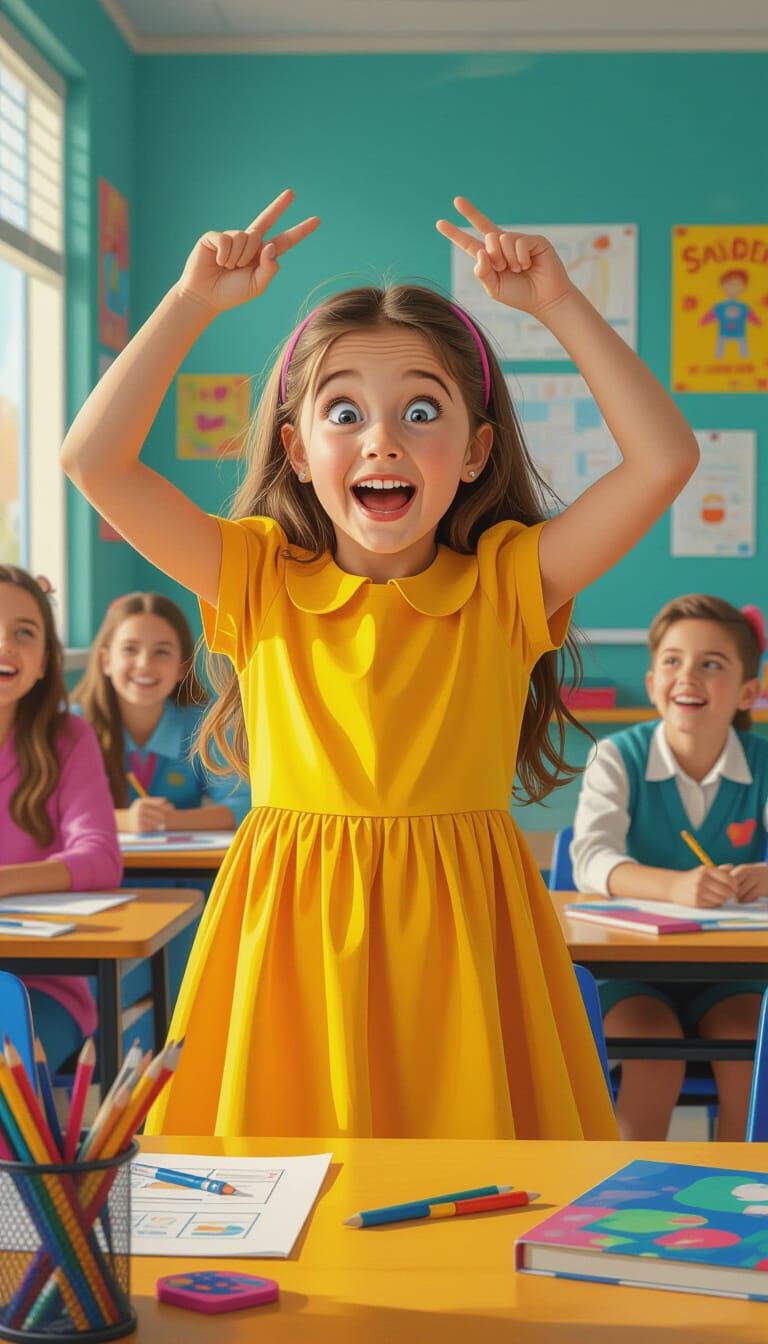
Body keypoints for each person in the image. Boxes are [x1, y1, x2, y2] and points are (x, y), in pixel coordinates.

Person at [60, 188, 699, 1139]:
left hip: (467, 934)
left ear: (478, 451)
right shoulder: (256, 574)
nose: (382, 439)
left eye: (422, 410)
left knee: (477, 1195)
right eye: (345, 411)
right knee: (282, 1207)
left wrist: (562, 307)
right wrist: (190, 303)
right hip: (291, 936)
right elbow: (94, 460)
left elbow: (663, 459)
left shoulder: (507, 583)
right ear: (299, 449)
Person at [572, 595, 768, 1141]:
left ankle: (743, 1202)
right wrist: (676, 887)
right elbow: (592, 859)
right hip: (633, 972)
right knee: (655, 1063)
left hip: (734, 975)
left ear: (748, 691)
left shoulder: (764, 765)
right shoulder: (617, 757)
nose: (689, 676)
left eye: (712, 663)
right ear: (654, 680)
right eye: (674, 661)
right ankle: (623, 1203)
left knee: (751, 1058)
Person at [0, 566, 122, 1070]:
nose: (5, 644)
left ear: (46, 661)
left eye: (23, 633)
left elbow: (100, 859)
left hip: (40, 987)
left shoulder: (68, 739)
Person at [72, 591, 250, 832]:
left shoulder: (208, 725)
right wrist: (125, 821)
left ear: (181, 668)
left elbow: (244, 806)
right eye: (130, 649)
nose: (145, 664)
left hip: (180, 867)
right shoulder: (72, 725)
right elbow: (51, 812)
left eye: (162, 652)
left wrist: (165, 821)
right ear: (106, 661)